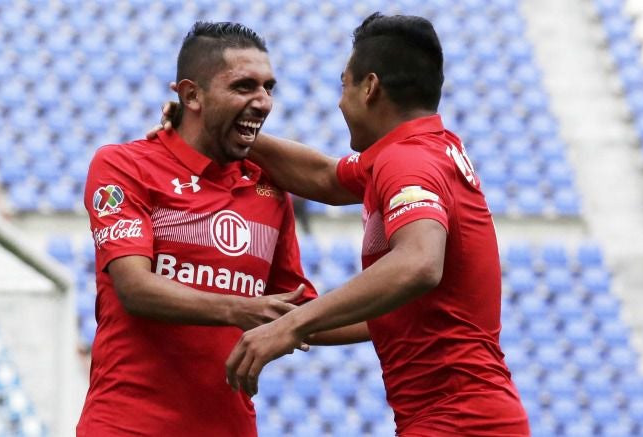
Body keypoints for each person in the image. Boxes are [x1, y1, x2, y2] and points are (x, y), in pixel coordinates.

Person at [218, 13, 530, 436]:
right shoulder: (420, 150)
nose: (339, 101)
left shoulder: (407, 162)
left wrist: (293, 324)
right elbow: (325, 178)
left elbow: (419, 263)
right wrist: (230, 130)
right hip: (466, 414)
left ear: (370, 87)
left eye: (343, 85)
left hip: (457, 419)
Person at [77, 21, 318, 436]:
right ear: (191, 95)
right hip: (128, 426)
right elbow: (135, 288)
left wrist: (405, 312)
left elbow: (299, 309)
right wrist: (240, 308)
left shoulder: (269, 189)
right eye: (244, 86)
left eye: (269, 88)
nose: (263, 102)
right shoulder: (124, 166)